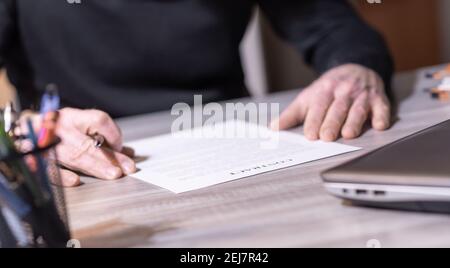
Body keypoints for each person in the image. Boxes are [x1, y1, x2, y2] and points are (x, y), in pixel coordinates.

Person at [0, 0, 393, 186]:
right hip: (85, 170)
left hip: (236, 154)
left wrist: (353, 69)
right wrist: (17, 134)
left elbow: (336, 27)